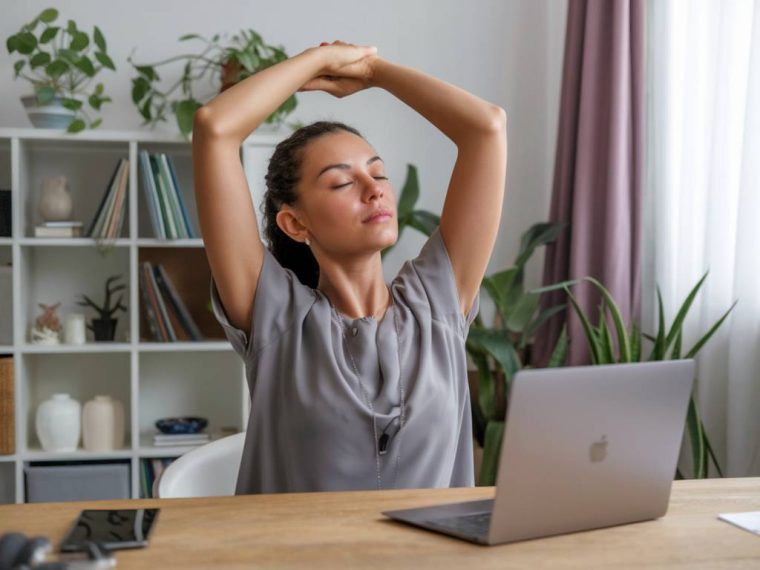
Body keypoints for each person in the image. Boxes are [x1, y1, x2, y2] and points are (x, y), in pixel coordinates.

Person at [192, 41, 507, 494]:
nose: (373, 190)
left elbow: (487, 128)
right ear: (295, 223)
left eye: (378, 174)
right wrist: (319, 61)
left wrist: (375, 71)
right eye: (342, 181)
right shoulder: (274, 315)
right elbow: (214, 128)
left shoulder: (438, 300)